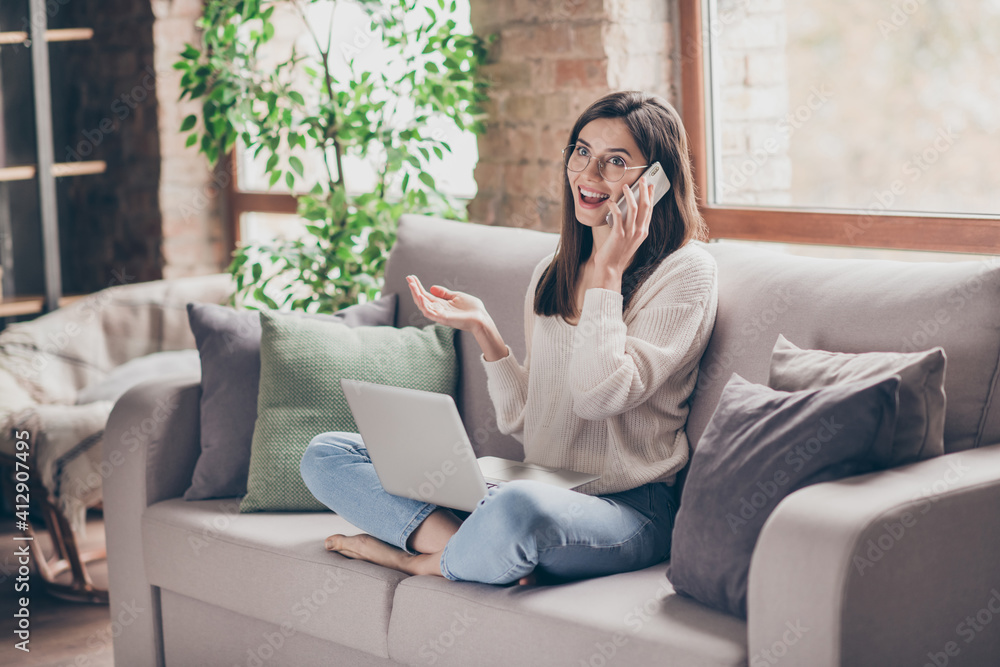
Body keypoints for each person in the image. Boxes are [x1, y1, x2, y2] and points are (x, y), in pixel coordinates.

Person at [299, 90, 718, 586]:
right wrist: (486, 333)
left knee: (517, 508)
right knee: (327, 454)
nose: (588, 175)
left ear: (656, 180)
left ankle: (419, 558)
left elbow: (598, 395)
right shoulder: (553, 271)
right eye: (581, 152)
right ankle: (476, 548)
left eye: (615, 162)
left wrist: (608, 272)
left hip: (627, 510)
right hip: (537, 485)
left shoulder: (686, 273)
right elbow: (526, 420)